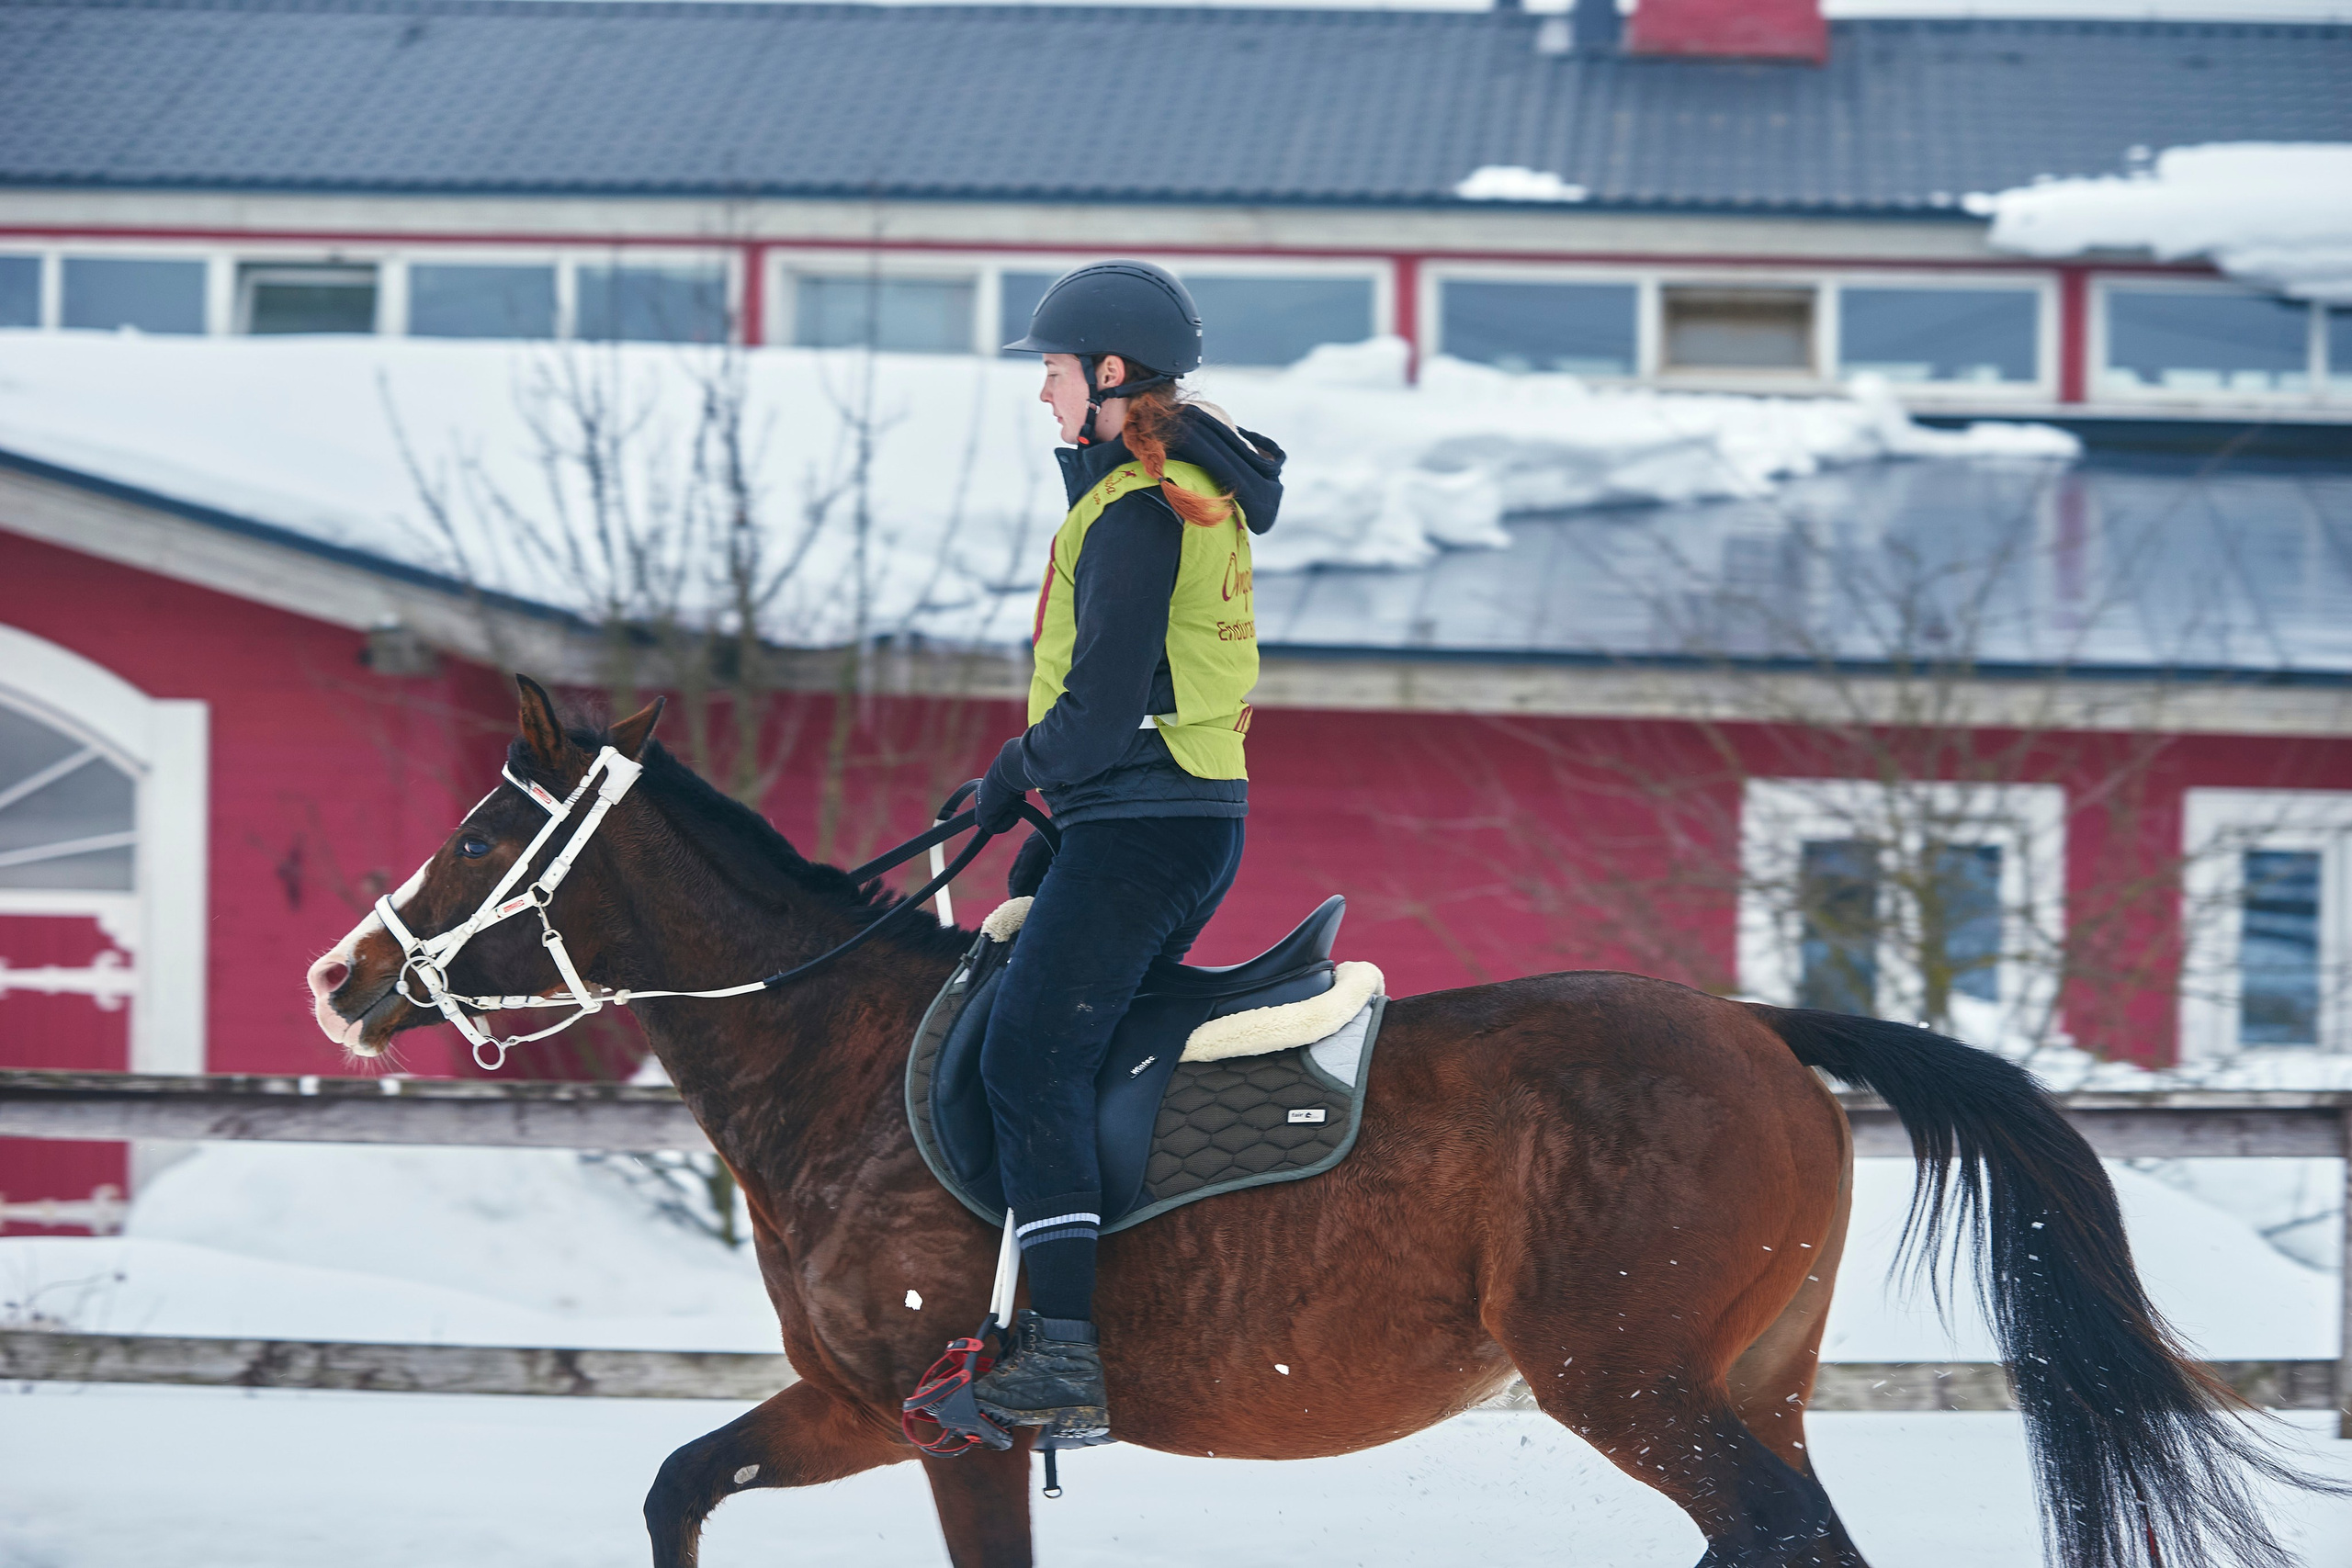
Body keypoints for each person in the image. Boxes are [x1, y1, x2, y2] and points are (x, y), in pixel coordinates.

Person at [968, 261, 1284, 1445]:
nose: (1043, 396)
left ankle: (1061, 1360)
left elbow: (1100, 717)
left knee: (1027, 1057)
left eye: (1053, 372)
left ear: (1108, 377)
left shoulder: (1143, 513)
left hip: (1145, 823)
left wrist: (1020, 766)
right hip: (1153, 815)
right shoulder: (1177, 492)